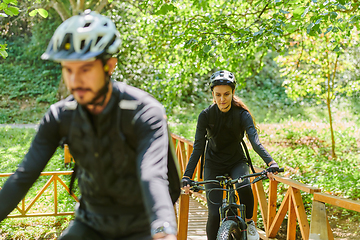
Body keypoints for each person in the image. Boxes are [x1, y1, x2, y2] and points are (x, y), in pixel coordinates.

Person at [0, 10, 180, 240]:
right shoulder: (60, 116)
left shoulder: (144, 112)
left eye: (85, 69)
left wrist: (163, 229)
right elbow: (23, 177)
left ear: (109, 66)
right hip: (91, 224)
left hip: (141, 226)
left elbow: (152, 175)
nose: (75, 81)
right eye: (68, 69)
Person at [181, 70, 280, 240]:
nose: (222, 99)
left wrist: (270, 163)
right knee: (213, 214)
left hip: (236, 161)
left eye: (226, 94)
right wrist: (186, 176)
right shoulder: (205, 116)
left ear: (233, 92)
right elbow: (198, 148)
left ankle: (249, 222)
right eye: (218, 94)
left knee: (244, 186)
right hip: (213, 163)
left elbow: (255, 141)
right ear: (212, 94)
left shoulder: (242, 114)